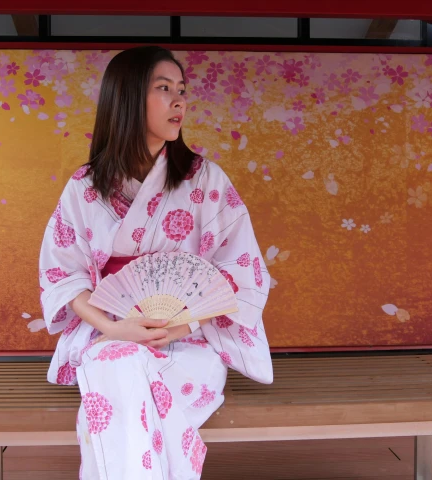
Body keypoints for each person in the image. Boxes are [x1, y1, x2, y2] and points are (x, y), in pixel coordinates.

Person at [38, 46, 273, 479]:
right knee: (116, 361)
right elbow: (63, 275)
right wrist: (114, 328)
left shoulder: (205, 178)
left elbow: (237, 268)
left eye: (181, 90)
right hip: (111, 332)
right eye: (164, 89)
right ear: (126, 98)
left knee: (113, 388)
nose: (179, 100)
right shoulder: (84, 186)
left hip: (190, 342)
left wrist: (181, 325)